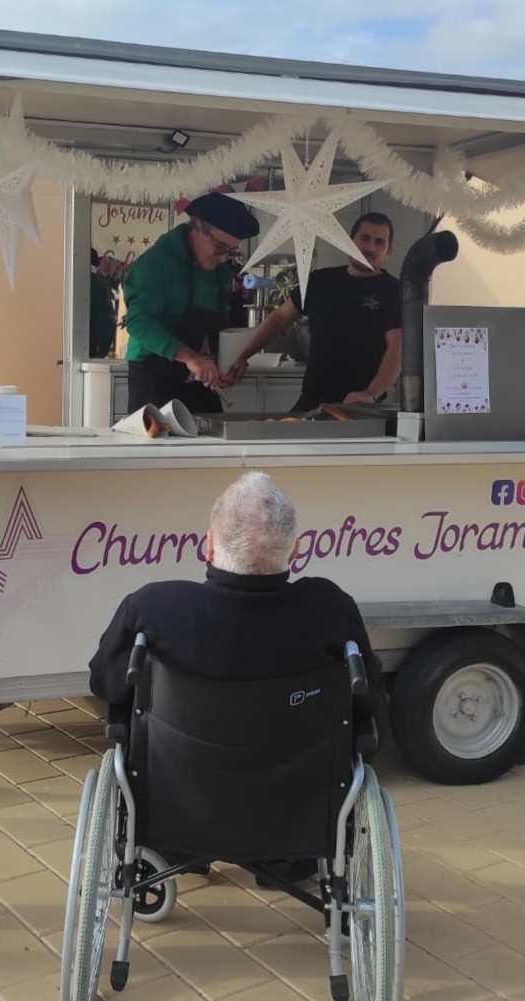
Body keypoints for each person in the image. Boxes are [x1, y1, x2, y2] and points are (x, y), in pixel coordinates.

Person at [88, 471, 380, 883]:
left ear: (209, 544)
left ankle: (179, 851)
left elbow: (106, 683)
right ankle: (279, 861)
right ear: (293, 549)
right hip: (297, 822)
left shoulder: (153, 609)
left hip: (176, 814)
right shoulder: (330, 609)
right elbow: (370, 699)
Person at [226, 212, 403, 411]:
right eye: (364, 238)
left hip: (362, 407)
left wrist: (371, 394)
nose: (370, 247)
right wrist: (244, 356)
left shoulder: (394, 291)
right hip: (312, 402)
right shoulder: (320, 281)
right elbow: (280, 318)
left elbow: (397, 349)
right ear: (350, 241)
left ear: (388, 252)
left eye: (379, 242)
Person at [121, 192, 261, 413]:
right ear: (197, 228)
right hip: (153, 377)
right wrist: (191, 357)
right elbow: (139, 322)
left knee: (212, 444)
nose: (224, 258)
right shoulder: (156, 263)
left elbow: (216, 327)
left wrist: (230, 361)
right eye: (220, 248)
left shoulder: (220, 273)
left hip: (198, 380)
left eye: (232, 252)